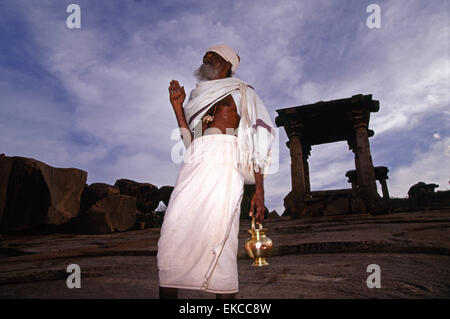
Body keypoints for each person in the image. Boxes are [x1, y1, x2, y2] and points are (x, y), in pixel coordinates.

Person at [157, 44, 275, 299]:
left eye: (214, 56)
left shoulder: (242, 92)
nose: (206, 58)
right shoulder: (196, 97)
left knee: (220, 241)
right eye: (205, 56)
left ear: (229, 65)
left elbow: (259, 135)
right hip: (193, 167)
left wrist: (259, 189)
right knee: (172, 234)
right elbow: (191, 143)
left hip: (225, 165)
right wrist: (177, 108)